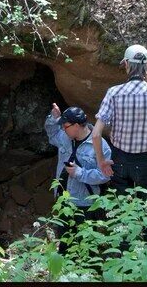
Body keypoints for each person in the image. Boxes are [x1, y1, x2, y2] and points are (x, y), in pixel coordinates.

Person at [92, 44, 147, 243]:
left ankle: (124, 261)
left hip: (120, 162)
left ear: (126, 65)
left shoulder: (114, 93)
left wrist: (102, 162)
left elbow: (95, 134)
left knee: (123, 213)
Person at [44, 104, 111, 252]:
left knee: (86, 246)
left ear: (76, 126)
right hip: (63, 200)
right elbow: (52, 133)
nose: (63, 129)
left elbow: (105, 175)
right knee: (64, 243)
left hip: (86, 204)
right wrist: (53, 118)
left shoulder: (100, 145)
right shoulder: (65, 136)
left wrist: (80, 173)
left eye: (65, 125)